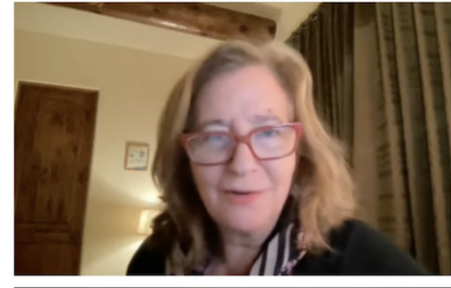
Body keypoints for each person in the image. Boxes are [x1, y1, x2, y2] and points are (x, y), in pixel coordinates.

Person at [127, 41, 425, 275]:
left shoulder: (363, 259)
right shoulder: (152, 261)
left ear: (301, 150)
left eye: (268, 133)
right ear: (184, 159)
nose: (242, 165)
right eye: (215, 137)